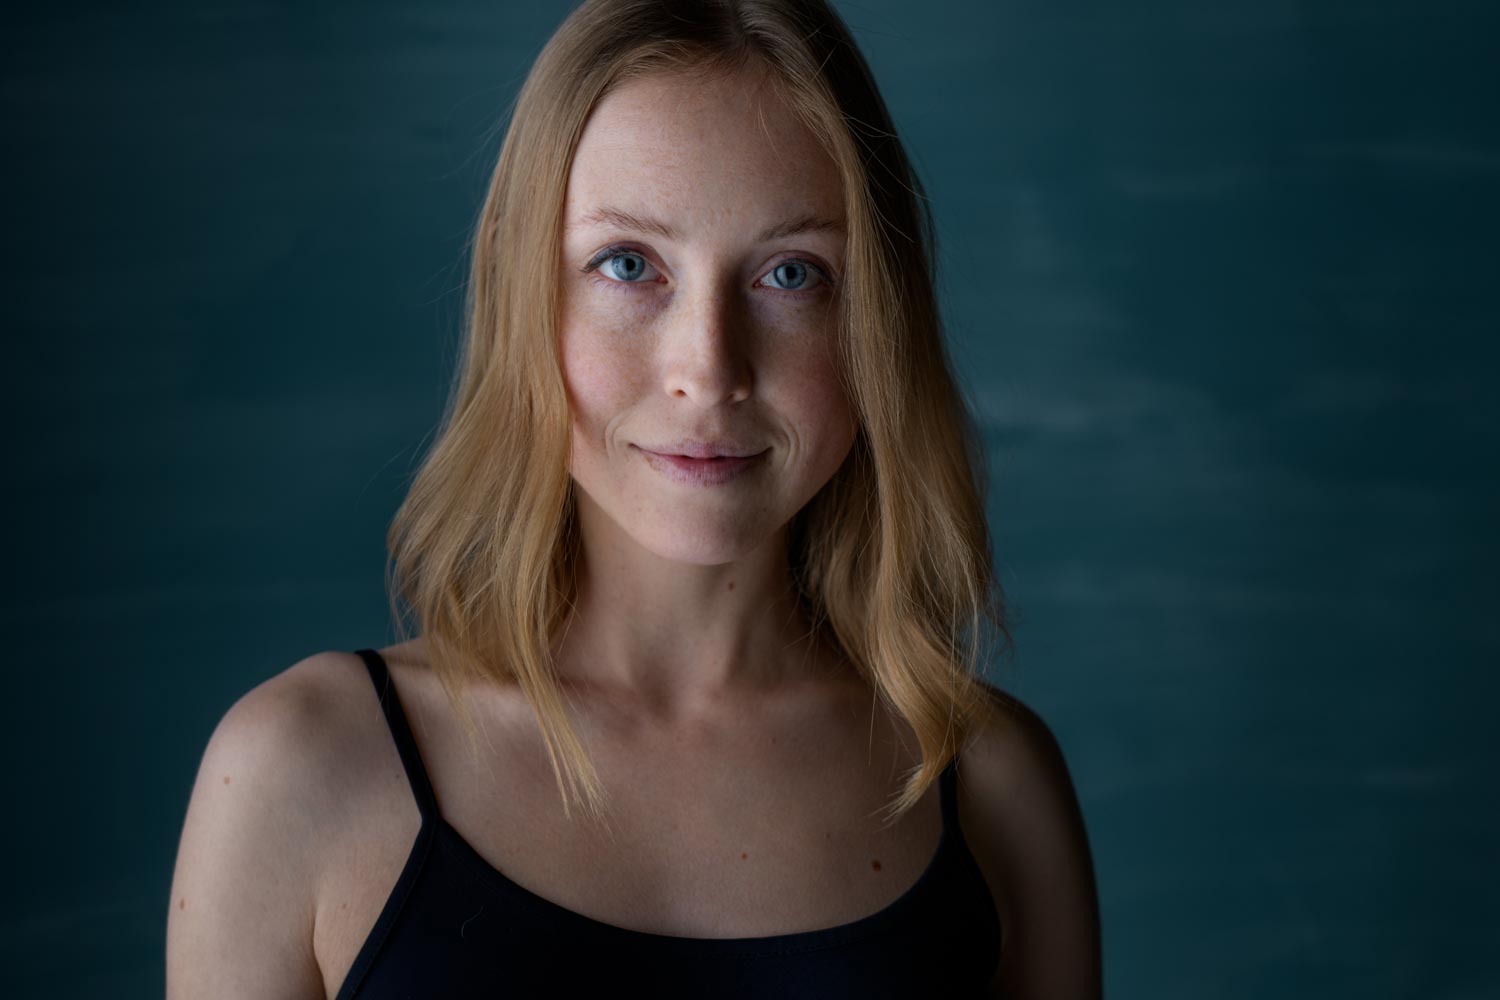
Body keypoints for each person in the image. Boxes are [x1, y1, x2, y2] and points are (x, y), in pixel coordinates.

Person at [166, 1, 1102, 996]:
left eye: (792, 273)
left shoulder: (996, 789)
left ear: (878, 316)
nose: (708, 369)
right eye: (627, 264)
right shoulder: (297, 774)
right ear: (516, 287)